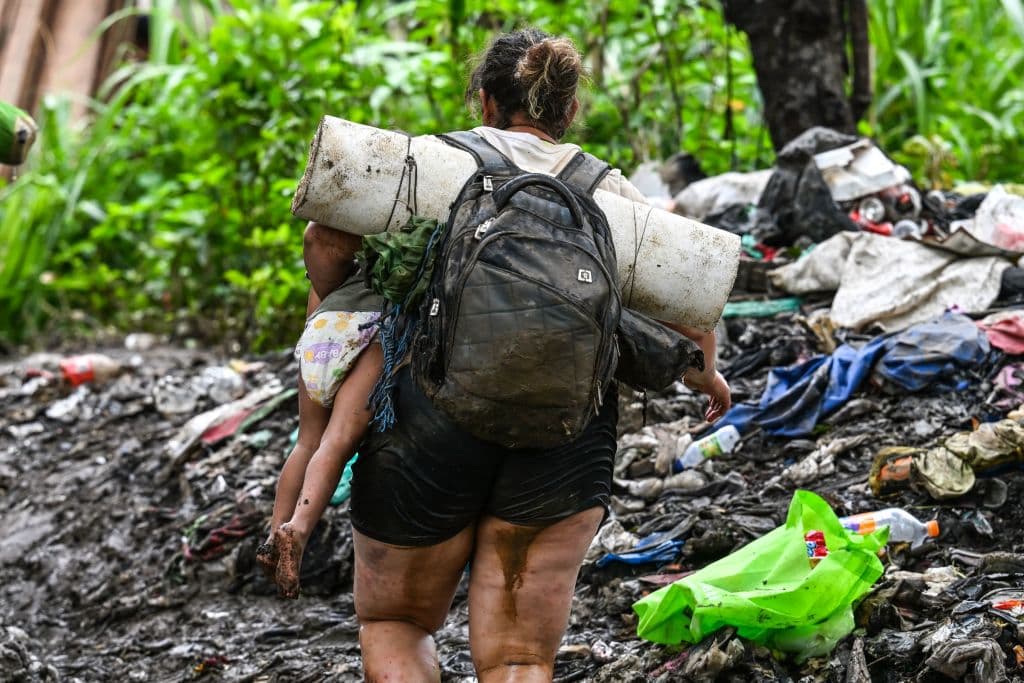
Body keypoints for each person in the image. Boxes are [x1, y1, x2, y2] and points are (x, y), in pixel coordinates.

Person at [339, 29, 732, 682]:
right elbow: (694, 310)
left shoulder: (432, 163)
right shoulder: (611, 193)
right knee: (520, 657)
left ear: (486, 102)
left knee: (396, 625)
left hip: (428, 424)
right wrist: (709, 373)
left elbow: (327, 237)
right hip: (566, 437)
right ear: (570, 110)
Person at [256, 226, 384, 598]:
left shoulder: (329, 279)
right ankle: (298, 529)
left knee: (307, 441)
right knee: (338, 440)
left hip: (322, 333)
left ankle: (273, 534)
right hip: (369, 330)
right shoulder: (396, 272)